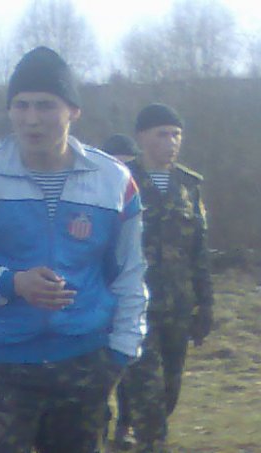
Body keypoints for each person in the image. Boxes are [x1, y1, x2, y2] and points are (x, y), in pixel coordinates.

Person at [0, 46, 148, 453]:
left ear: (73, 111)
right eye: (21, 105)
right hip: (3, 370)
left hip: (85, 367)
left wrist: (120, 352)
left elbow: (130, 275)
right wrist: (12, 284)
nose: (31, 119)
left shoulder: (114, 182)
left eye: (46, 105)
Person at [102, 104, 214, 453]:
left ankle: (133, 433)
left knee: (169, 389)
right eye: (162, 134)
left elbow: (199, 251)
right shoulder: (121, 182)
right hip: (135, 306)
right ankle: (150, 442)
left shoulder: (189, 185)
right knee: (147, 391)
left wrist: (205, 304)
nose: (171, 141)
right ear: (141, 137)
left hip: (177, 306)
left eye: (176, 134)